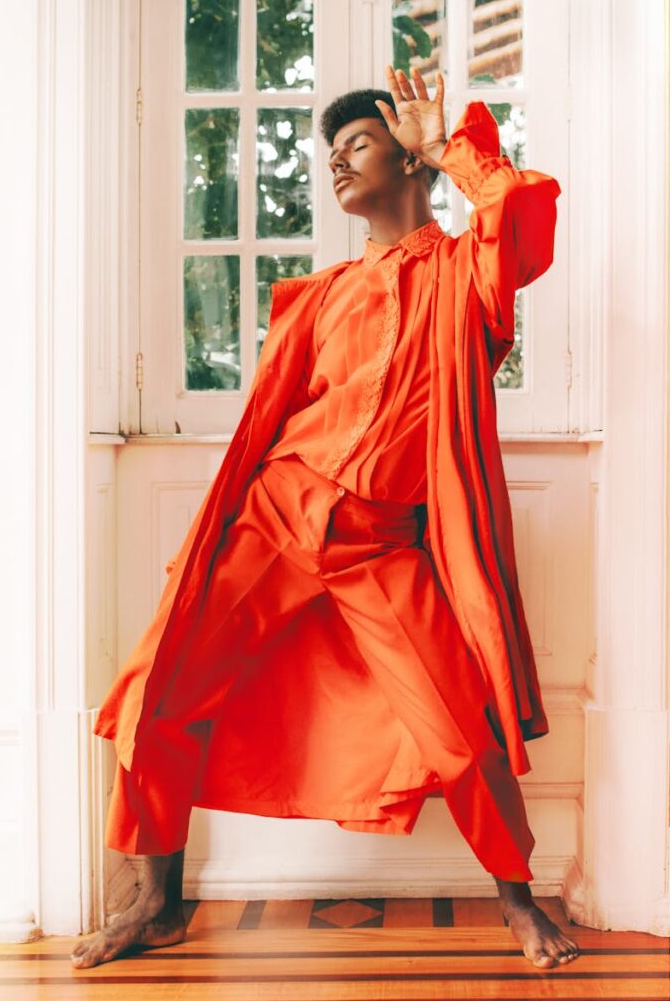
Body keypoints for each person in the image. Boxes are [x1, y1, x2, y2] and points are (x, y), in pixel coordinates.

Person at [71, 65, 579, 970]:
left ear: (408, 160)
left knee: (462, 730)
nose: (338, 162)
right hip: (277, 514)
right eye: (331, 152)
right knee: (159, 690)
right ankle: (156, 903)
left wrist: (449, 148)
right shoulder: (326, 294)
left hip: (380, 541)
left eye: (359, 144)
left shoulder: (466, 277)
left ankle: (520, 903)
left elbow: (517, 212)